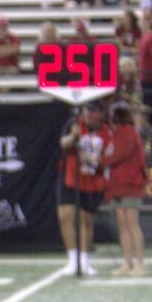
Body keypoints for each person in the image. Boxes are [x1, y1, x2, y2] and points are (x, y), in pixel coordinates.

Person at [57, 102, 108, 276]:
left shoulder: (106, 132)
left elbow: (108, 157)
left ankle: (85, 260)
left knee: (86, 220)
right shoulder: (74, 125)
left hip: (92, 179)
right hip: (71, 177)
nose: (89, 114)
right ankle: (72, 259)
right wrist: (74, 137)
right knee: (66, 217)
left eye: (94, 111)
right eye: (88, 110)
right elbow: (63, 143)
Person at [105, 100, 148, 274]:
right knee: (122, 225)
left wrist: (98, 161)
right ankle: (127, 262)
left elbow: (118, 156)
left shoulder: (129, 132)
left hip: (130, 183)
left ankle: (140, 263)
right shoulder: (115, 135)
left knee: (131, 223)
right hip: (118, 185)